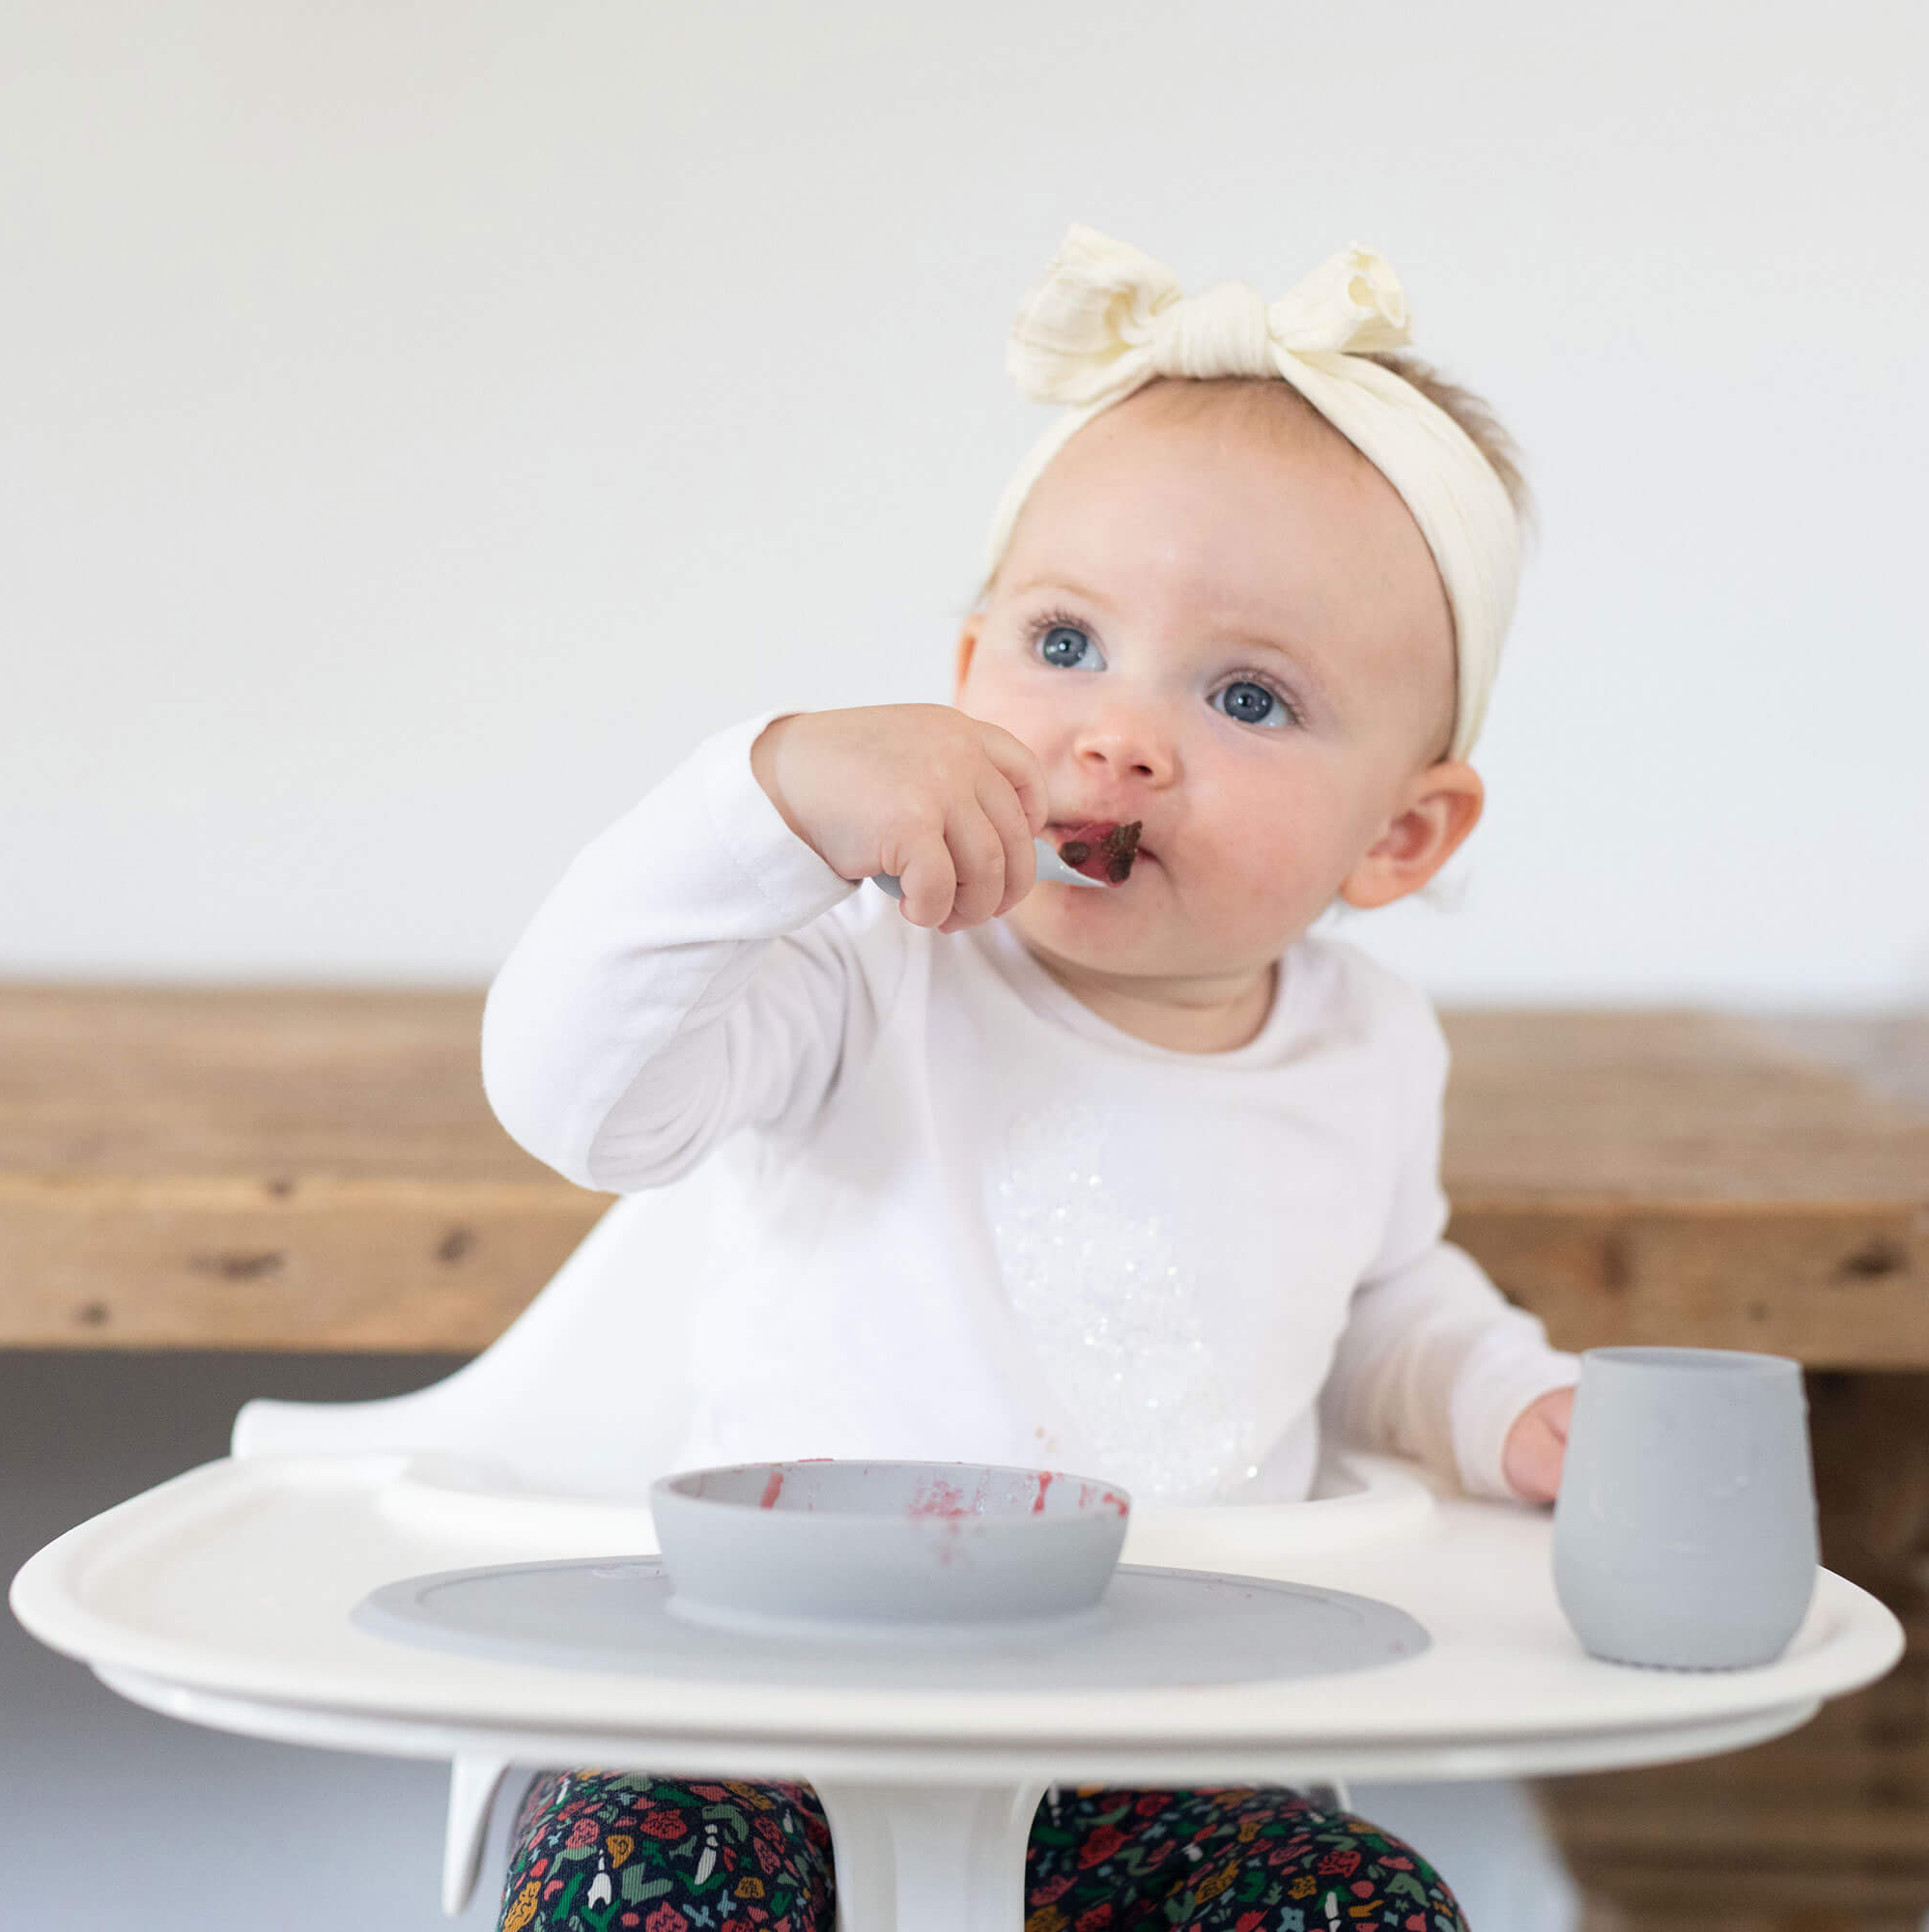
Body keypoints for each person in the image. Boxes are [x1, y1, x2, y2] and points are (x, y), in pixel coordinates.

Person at [479, 224, 1581, 1932]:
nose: (1122, 736)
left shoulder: (1369, 1051)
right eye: (1067, 646)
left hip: (1166, 1762)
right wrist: (763, 803)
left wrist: (1508, 1403)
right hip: (760, 1719)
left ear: (1403, 834)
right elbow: (573, 1092)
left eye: (1246, 695)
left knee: (1369, 1907)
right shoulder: (867, 974)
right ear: (965, 677)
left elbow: (1377, 1311)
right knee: (633, 1873)